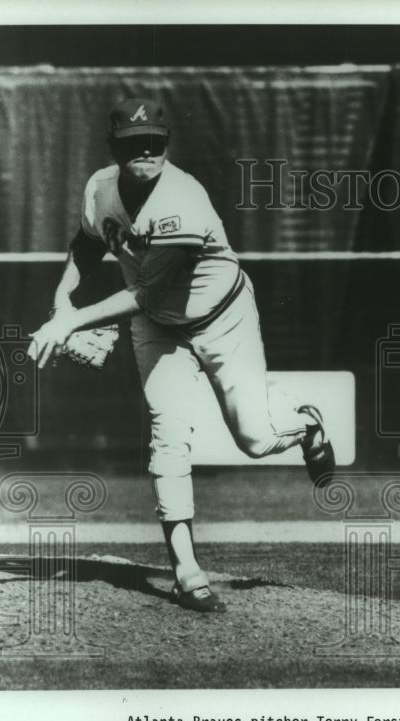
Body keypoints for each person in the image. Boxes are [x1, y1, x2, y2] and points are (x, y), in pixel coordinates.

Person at [29, 98, 335, 614]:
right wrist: (64, 298)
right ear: (113, 148)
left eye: (155, 141)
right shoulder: (100, 188)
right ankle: (186, 572)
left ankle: (306, 426)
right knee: (167, 437)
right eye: (133, 142)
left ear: (166, 144)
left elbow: (146, 291)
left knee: (256, 439)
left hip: (223, 317)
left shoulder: (182, 197)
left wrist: (69, 321)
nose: (146, 150)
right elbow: (86, 245)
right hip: (158, 329)